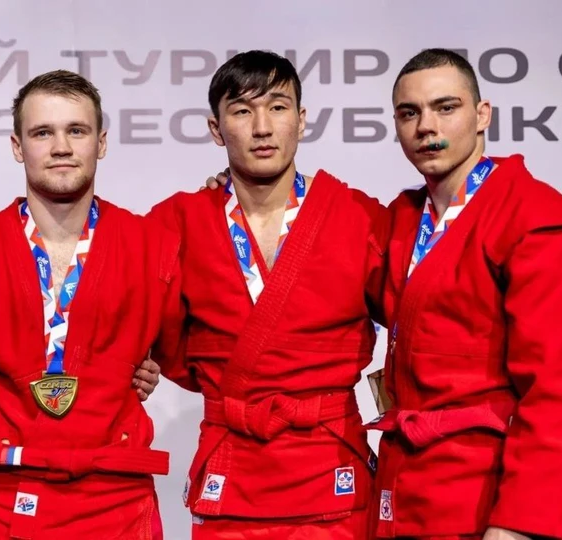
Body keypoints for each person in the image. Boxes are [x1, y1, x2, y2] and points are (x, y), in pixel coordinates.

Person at [0, 70, 177, 539]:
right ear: (17, 146)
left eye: (76, 131)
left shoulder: (152, 246)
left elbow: (194, 352)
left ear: (101, 142)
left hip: (118, 503)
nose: (61, 147)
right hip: (7, 502)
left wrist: (139, 364)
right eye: (43, 132)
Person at [367, 48, 562, 540]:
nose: (426, 127)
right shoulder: (403, 219)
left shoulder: (540, 222)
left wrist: (519, 523)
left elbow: (559, 390)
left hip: (482, 498)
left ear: (482, 115)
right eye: (409, 113)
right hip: (403, 488)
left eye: (446, 107)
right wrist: (238, 193)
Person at [150, 50, 389, 540]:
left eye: (278, 107)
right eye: (242, 111)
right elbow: (165, 344)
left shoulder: (358, 215)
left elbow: (425, 316)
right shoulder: (179, 221)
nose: (262, 127)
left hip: (330, 466)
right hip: (231, 467)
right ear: (216, 129)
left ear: (301, 119)